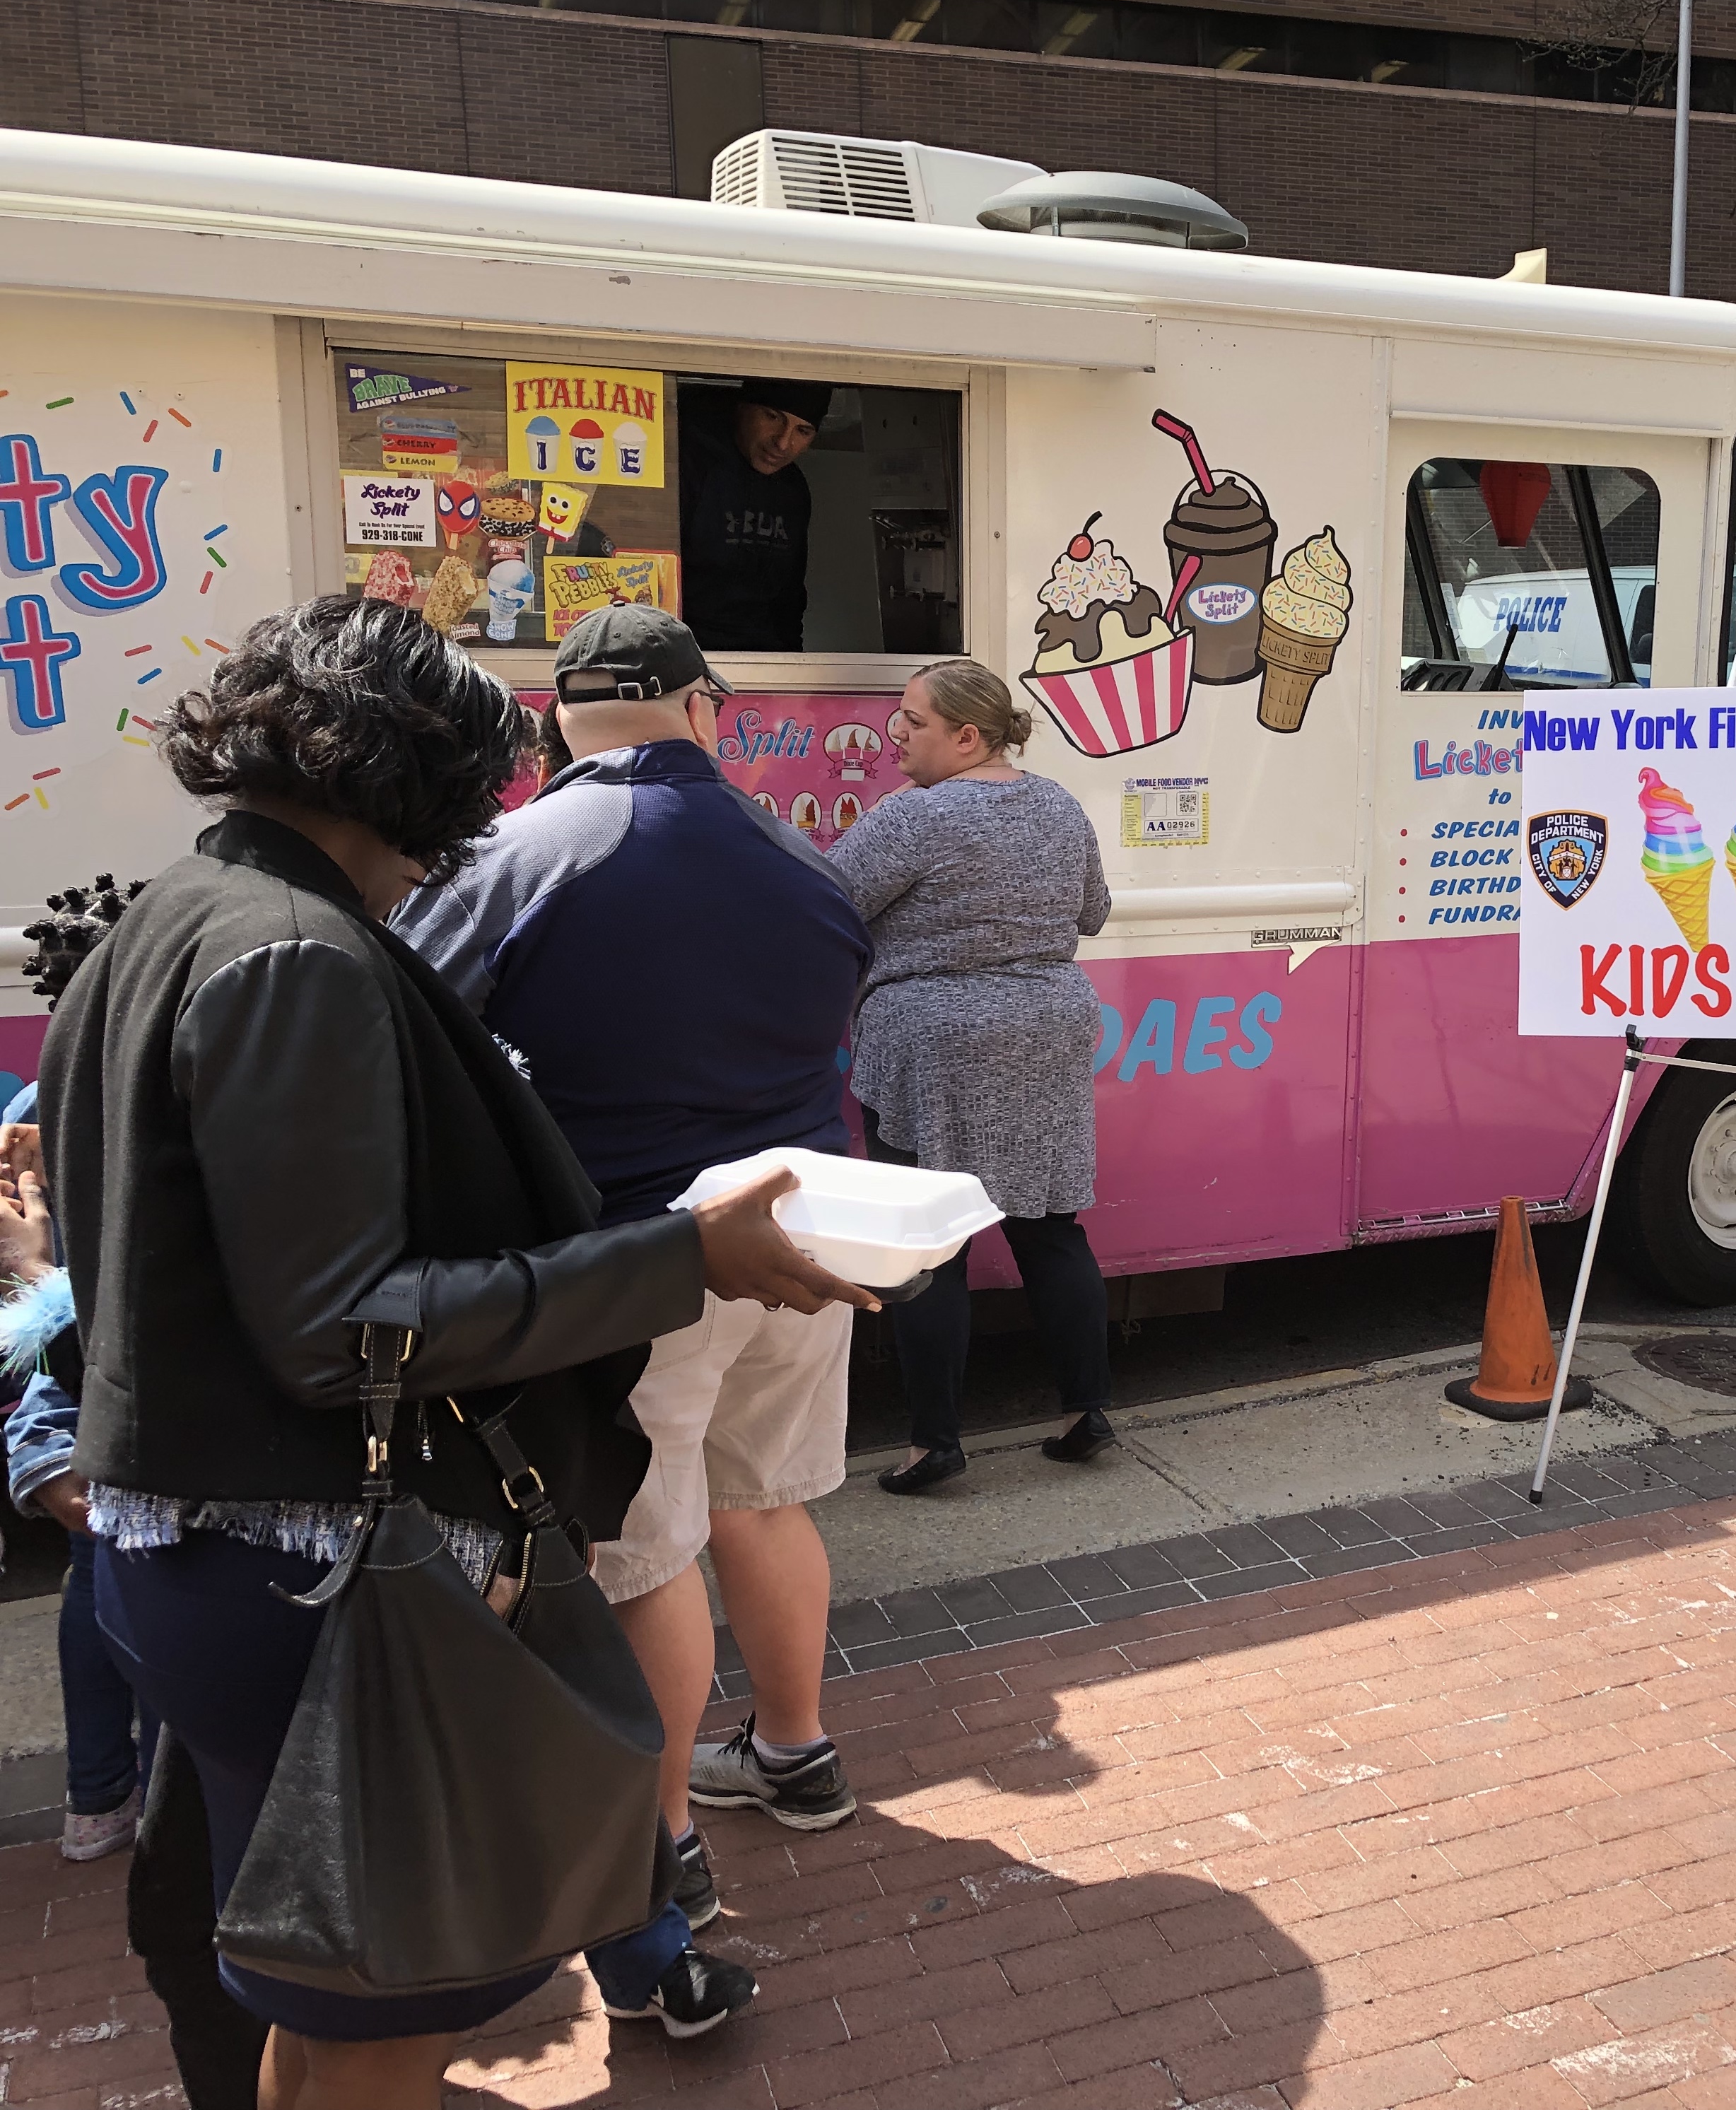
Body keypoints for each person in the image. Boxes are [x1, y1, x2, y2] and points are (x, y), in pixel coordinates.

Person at [40, 595, 872, 2109]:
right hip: (304, 1570)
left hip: (194, 1546)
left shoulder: (174, 917)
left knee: (321, 1973)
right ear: (412, 769)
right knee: (390, 2001)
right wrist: (684, 1259)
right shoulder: (297, 954)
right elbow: (346, 1323)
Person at [395, 604, 875, 1941]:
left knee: (642, 1556)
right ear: (705, 707)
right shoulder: (805, 855)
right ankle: (794, 1750)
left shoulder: (515, 849)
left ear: (559, 719)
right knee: (766, 1501)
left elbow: (419, 1024)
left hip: (627, 1263)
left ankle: (663, 1853)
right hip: (795, 1238)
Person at [828, 658, 1118, 1494]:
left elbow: (828, 899)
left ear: (968, 735)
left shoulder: (913, 817)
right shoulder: (1060, 805)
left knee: (931, 1243)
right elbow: (1091, 913)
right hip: (1049, 1030)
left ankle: (935, 1445)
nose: (895, 737)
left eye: (912, 722)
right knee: (1051, 1226)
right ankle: (1085, 1412)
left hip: (934, 1045)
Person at [0, 1082, 148, 1863]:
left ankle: (99, 1801)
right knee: (142, 1585)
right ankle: (154, 1803)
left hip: (82, 1398)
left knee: (97, 1581)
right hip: (117, 1392)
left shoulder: (43, 1090)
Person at [679, 377, 828, 651]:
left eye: (803, 431)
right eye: (772, 417)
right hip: (685, 652)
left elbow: (791, 593)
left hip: (764, 656)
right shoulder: (689, 466)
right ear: (742, 409)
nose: (783, 443)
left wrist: (791, 663)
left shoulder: (793, 488)